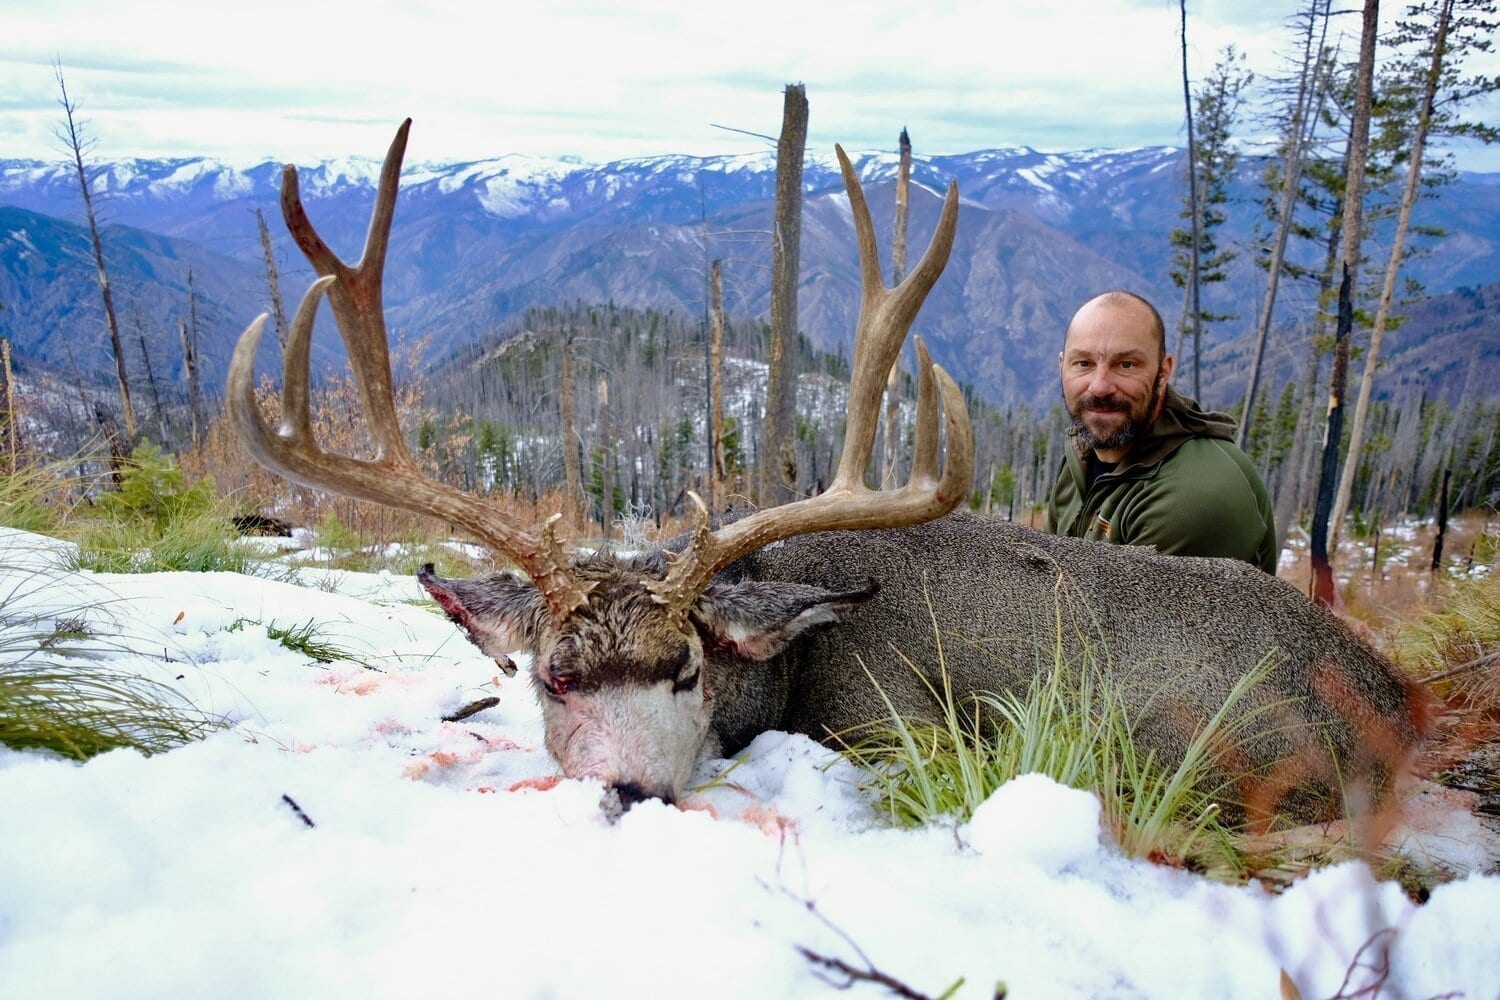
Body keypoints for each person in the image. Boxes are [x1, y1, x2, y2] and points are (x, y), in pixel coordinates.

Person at [1044, 290, 1278, 572]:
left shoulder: (1192, 497)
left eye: (1126, 364)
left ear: (1163, 371)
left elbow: (1113, 614)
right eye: (1083, 363)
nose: (1100, 386)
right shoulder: (1083, 455)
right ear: (1062, 366)